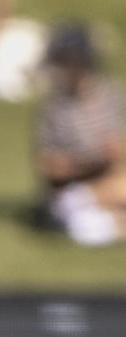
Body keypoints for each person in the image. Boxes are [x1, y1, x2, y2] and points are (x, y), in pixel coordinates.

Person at [34, 20, 126, 245]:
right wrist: (91, 160)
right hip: (73, 189)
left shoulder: (113, 98)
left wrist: (115, 152)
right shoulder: (55, 108)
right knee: (81, 220)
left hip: (112, 182)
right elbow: (48, 165)